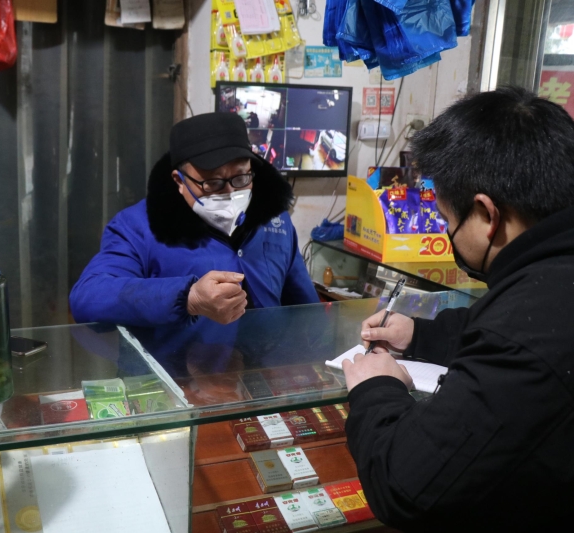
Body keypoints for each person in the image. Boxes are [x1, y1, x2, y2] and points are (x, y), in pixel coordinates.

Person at [341, 87, 574, 532]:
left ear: (487, 215)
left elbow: (404, 486)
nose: (448, 233)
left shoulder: (530, 329)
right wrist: (419, 335)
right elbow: (501, 328)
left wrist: (377, 389)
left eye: (448, 220)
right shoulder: (551, 277)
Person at [70, 112, 319, 327]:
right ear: (179, 181)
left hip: (268, 366)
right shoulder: (137, 227)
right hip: (178, 367)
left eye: (240, 178)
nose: (230, 193)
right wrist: (188, 298)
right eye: (213, 182)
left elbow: (305, 308)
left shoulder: (274, 220)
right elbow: (88, 297)